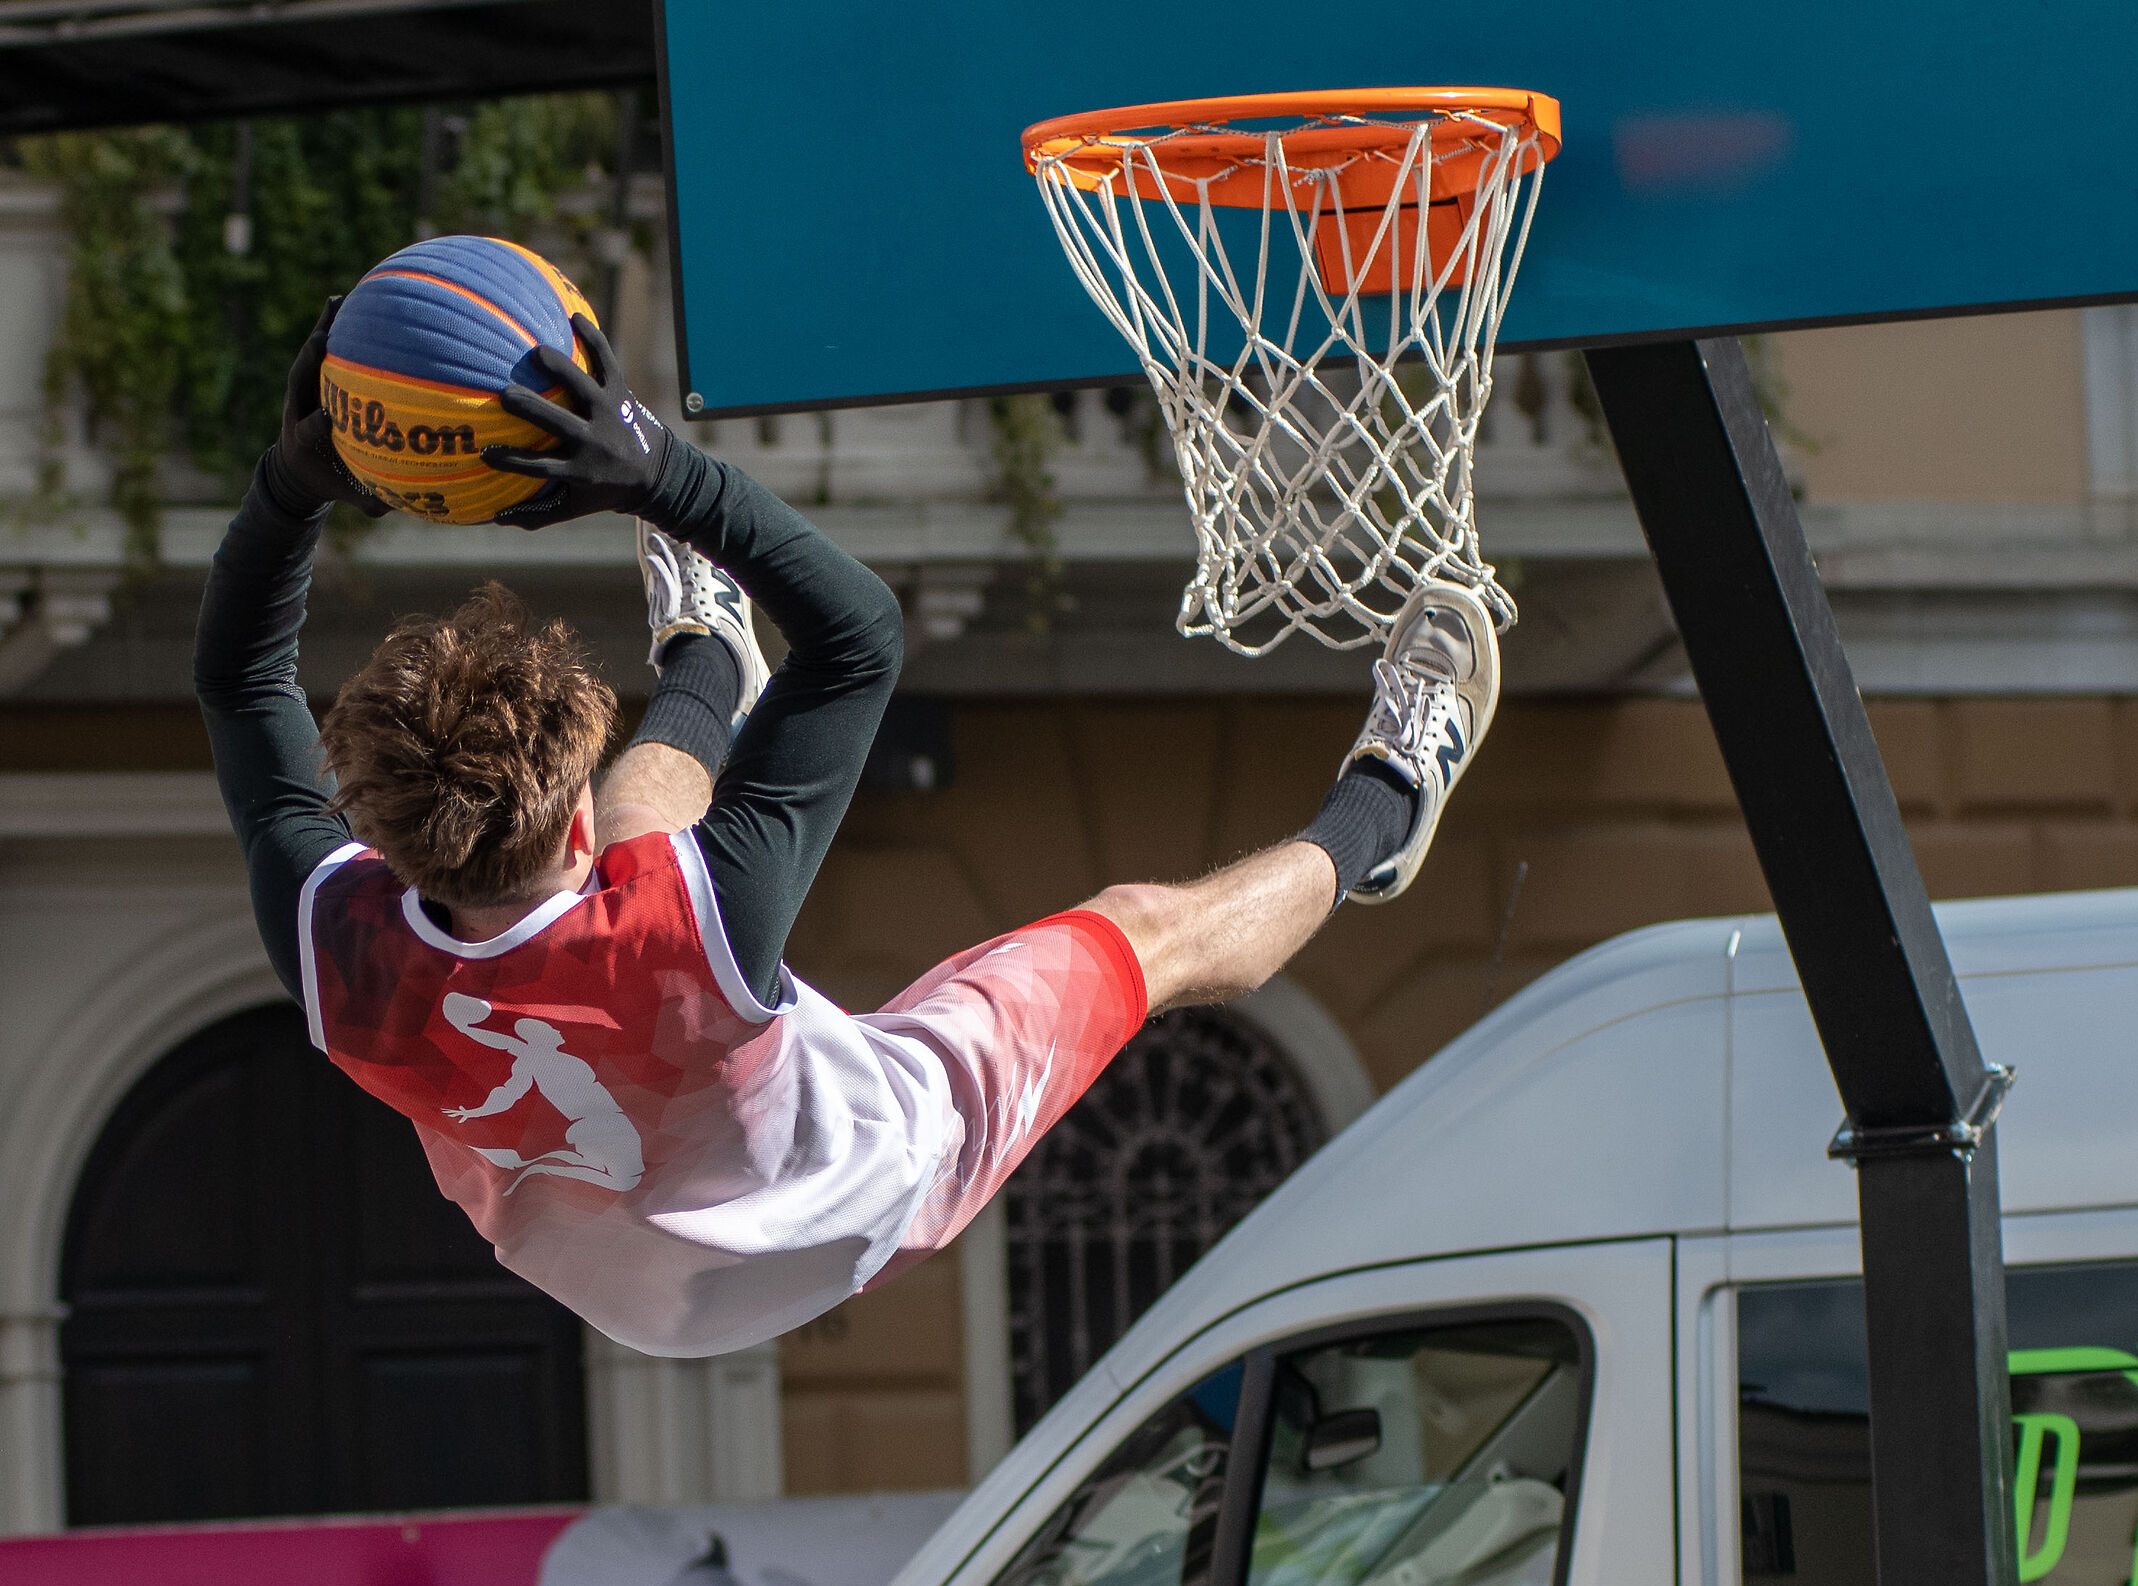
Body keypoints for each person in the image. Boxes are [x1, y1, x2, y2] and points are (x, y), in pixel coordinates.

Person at [196, 295, 1501, 1358]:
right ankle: (1386, 805)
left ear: (371, 831)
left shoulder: (335, 948)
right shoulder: (682, 914)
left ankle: (711, 643)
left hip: (631, 1291)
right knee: (1146, 935)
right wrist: (660, 471)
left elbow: (238, 683)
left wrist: (287, 484)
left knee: (668, 824)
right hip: (862, 1196)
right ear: (573, 824)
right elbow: (861, 632)